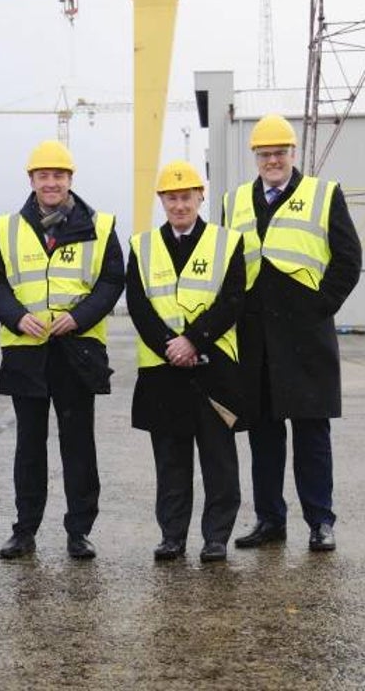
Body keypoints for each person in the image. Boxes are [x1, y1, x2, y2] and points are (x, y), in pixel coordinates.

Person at [224, 114, 362, 552]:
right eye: (264, 154)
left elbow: (348, 259)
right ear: (256, 158)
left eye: (279, 152)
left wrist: (320, 307)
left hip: (305, 339)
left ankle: (321, 522)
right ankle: (270, 521)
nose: (272, 160)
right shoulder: (237, 202)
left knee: (311, 435)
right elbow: (230, 268)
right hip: (256, 339)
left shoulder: (323, 195)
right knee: (264, 437)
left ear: (292, 154)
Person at [0, 140, 124, 561]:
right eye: (43, 176)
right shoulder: (7, 227)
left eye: (58, 176)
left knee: (78, 446)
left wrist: (79, 317)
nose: (51, 183)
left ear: (70, 180)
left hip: (77, 352)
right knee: (29, 446)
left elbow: (112, 280)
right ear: (31, 180)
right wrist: (14, 316)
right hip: (28, 352)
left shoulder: (99, 226)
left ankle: (79, 531)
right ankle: (24, 530)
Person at [127, 161, 246, 563]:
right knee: (171, 463)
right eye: (172, 198)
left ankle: (216, 538)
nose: (180, 205)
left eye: (187, 197)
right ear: (162, 200)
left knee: (219, 461)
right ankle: (172, 536)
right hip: (164, 373)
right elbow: (139, 306)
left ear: (201, 197)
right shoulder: (141, 247)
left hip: (214, 369)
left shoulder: (228, 242)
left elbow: (232, 299)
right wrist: (169, 346)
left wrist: (193, 340)